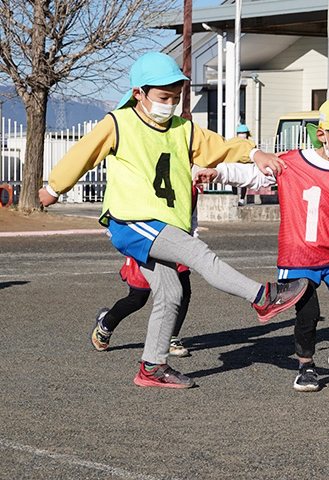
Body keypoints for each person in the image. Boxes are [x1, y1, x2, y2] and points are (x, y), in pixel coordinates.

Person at [39, 52, 308, 389]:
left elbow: (220, 147)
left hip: (163, 225)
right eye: (163, 97)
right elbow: (83, 154)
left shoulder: (184, 130)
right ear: (139, 93)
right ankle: (263, 297)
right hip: (132, 221)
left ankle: (152, 367)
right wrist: (54, 187)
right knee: (199, 254)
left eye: (176, 98)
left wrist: (255, 153)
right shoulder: (119, 123)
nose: (170, 104)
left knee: (170, 292)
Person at [195, 96, 329, 392]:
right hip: (298, 258)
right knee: (308, 314)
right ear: (322, 134)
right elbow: (252, 175)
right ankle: (306, 366)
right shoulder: (291, 163)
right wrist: (219, 173)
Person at [92, 185, 204, 357]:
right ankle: (105, 324)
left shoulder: (190, 187)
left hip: (177, 241)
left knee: (183, 292)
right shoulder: (145, 178)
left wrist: (193, 244)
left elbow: (191, 217)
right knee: (137, 298)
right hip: (146, 240)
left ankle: (171, 336)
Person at [233, 124, 251, 206]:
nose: (242, 135)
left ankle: (242, 198)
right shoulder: (235, 143)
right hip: (236, 163)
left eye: (243, 133)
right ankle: (234, 197)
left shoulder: (250, 143)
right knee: (233, 180)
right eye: (240, 133)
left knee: (243, 181)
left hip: (245, 164)